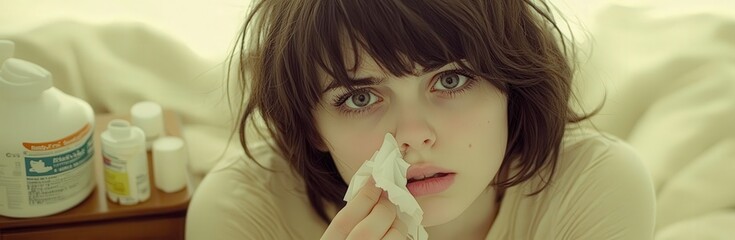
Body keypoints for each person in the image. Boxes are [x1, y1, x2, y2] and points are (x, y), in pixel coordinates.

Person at [186, 0, 656, 239]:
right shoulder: (243, 212)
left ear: (511, 84)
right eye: (359, 97)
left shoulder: (593, 188)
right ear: (313, 127)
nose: (412, 136)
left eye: (451, 81)